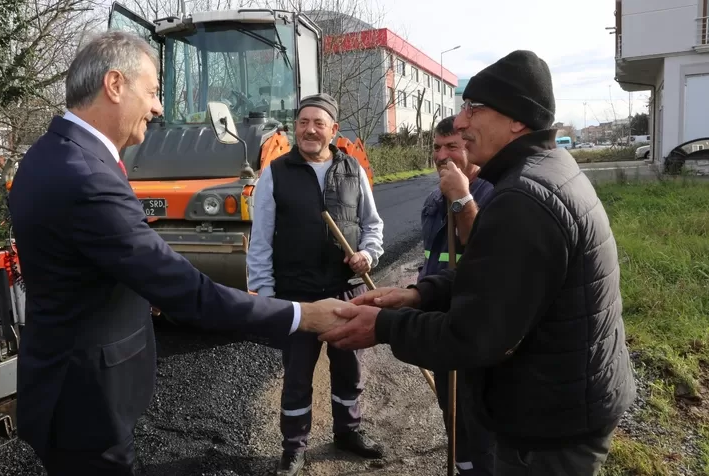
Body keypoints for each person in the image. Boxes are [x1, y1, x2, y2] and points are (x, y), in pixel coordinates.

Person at [8, 31, 350, 476]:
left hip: (65, 381)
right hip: (85, 401)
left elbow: (86, 266)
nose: (157, 107)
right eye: (151, 92)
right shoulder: (86, 176)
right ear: (114, 85)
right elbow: (192, 293)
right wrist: (303, 316)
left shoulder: (49, 153)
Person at [320, 50, 637, 476]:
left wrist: (383, 326)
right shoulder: (545, 171)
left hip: (549, 425)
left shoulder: (524, 198)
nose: (463, 120)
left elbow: (476, 335)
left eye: (474, 107)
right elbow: (494, 279)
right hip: (563, 399)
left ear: (517, 119)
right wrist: (418, 294)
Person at [246, 93, 385, 475]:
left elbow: (373, 227)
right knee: (296, 377)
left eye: (318, 123)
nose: (309, 129)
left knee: (349, 371)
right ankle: (294, 448)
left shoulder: (353, 170)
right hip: (297, 297)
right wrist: (267, 299)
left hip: (346, 293)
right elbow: (260, 241)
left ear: (333, 130)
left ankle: (348, 433)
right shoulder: (275, 173)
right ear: (296, 127)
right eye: (303, 122)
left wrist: (368, 256)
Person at [420, 115, 495, 476]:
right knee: (452, 413)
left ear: (470, 145)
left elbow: (485, 251)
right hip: (439, 320)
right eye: (436, 146)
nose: (441, 155)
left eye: (452, 145)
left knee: (475, 415)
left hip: (473, 325)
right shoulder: (434, 201)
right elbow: (431, 259)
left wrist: (461, 198)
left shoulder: (492, 194)